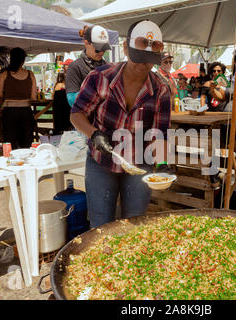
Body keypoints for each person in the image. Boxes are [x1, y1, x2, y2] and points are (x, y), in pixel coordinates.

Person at [70, 20, 172, 228]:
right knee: (100, 225)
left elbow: (159, 133)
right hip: (101, 163)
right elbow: (77, 114)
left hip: (138, 164)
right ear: (125, 48)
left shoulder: (160, 89)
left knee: (134, 226)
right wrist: (94, 134)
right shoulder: (100, 77)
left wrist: (162, 164)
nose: (143, 66)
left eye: (149, 61)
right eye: (138, 59)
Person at [0, 47, 37, 149]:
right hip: (26, 111)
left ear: (11, 59)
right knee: (26, 144)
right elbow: (33, 97)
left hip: (9, 112)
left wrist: (1, 104)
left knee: (10, 144)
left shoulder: (4, 73)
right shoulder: (30, 74)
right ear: (23, 61)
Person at [65, 25, 111, 107]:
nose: (101, 53)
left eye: (104, 49)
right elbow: (71, 100)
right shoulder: (75, 67)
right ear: (86, 43)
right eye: (98, 49)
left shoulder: (108, 67)